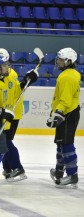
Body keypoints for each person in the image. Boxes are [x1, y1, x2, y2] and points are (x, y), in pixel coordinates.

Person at [0, 54, 38, 192]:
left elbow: (16, 92)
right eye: (5, 65)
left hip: (1, 119)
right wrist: (1, 112)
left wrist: (25, 82)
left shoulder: (8, 79)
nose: (8, 67)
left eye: (7, 64)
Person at [47, 47, 80, 189]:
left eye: (61, 60)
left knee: (66, 144)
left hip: (67, 114)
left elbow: (65, 100)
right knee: (60, 143)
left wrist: (58, 113)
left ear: (69, 61)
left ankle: (72, 175)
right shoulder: (70, 73)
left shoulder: (67, 76)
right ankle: (59, 171)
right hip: (67, 113)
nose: (58, 62)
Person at [0, 48, 27, 182]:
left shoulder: (10, 74)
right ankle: (8, 169)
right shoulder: (6, 72)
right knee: (4, 142)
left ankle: (17, 167)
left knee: (6, 142)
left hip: (11, 113)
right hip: (9, 112)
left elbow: (10, 93)